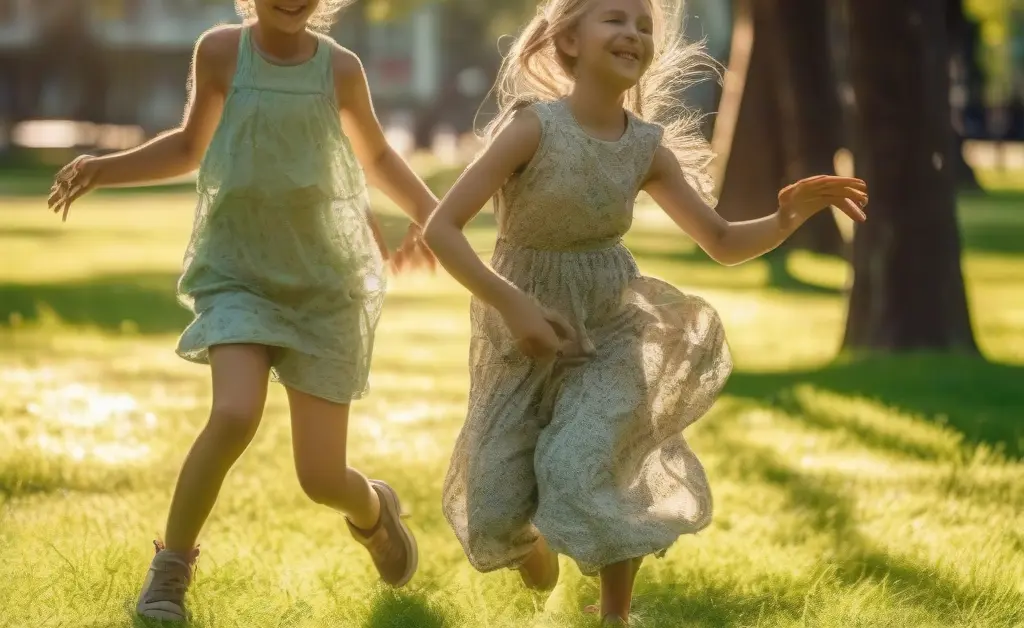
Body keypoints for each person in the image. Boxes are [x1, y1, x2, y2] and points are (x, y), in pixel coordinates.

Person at [422, 0, 868, 624]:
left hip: (611, 326)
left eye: (644, 26)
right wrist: (515, 307)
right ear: (569, 40)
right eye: (615, 19)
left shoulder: (646, 150)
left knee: (586, 461)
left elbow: (722, 241)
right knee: (494, 507)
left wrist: (785, 218)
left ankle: (615, 615)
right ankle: (532, 548)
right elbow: (441, 229)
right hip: (518, 330)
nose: (633, 33)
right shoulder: (532, 129)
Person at [47, 0, 436, 621]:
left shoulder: (340, 69)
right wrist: (103, 168)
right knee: (233, 412)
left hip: (322, 284)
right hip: (237, 274)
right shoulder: (221, 52)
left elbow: (380, 158)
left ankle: (373, 511)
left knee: (320, 477)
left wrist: (435, 217)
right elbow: (189, 146)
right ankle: (171, 569)